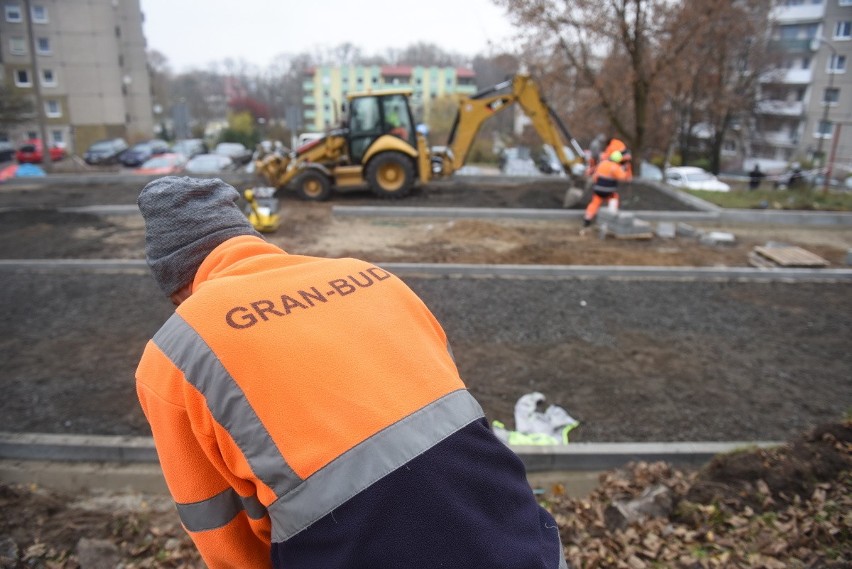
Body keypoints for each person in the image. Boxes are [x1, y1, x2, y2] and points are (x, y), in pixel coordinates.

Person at [135, 176, 569, 569]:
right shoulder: (373, 277)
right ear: (248, 235)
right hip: (521, 539)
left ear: (177, 285)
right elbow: (448, 412)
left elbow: (220, 528)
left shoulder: (175, 353)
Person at [583, 150, 632, 227]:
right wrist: (625, 169)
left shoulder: (602, 163)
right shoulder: (615, 167)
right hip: (609, 190)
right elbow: (622, 177)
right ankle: (611, 217)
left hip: (598, 188)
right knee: (614, 199)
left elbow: (596, 175)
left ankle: (587, 219)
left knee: (594, 203)